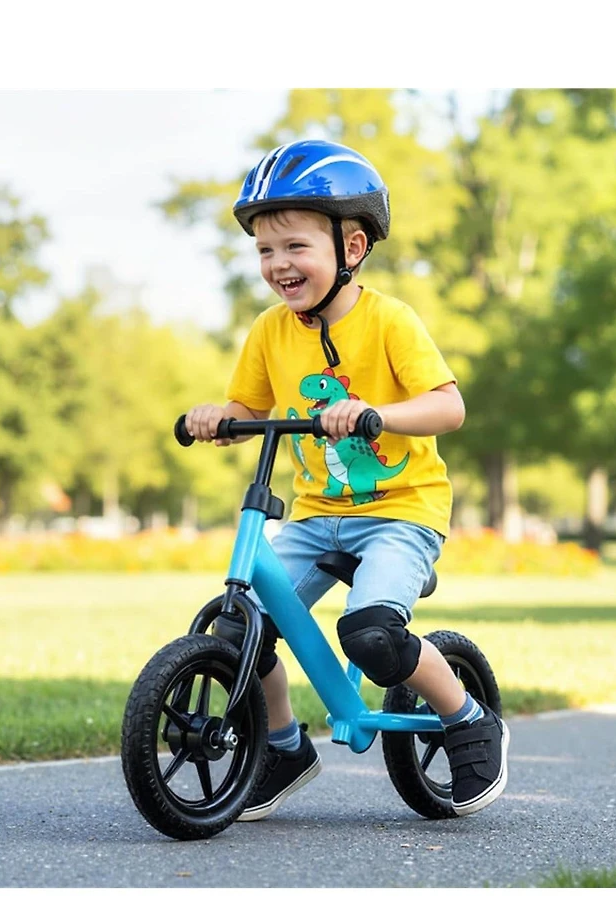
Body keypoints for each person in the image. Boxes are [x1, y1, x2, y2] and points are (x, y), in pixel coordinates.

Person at [185, 139, 509, 822]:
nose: (279, 265)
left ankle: (468, 715)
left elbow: (448, 405)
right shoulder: (270, 332)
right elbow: (250, 408)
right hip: (315, 513)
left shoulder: (390, 320)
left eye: (295, 246)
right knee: (238, 623)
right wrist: (220, 416)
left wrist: (375, 414)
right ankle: (281, 747)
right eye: (266, 251)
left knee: (371, 634)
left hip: (400, 511)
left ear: (352, 246)